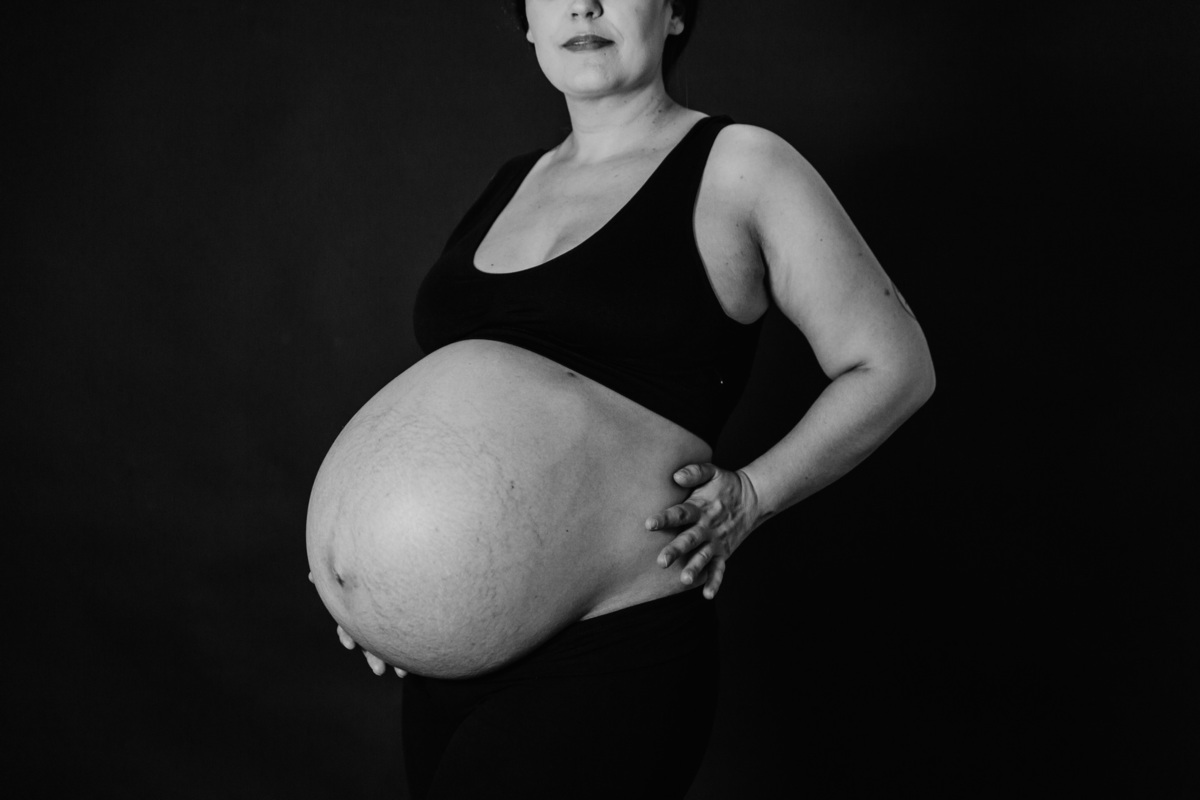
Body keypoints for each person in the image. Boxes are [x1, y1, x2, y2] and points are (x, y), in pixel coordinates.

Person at [307, 1, 935, 797]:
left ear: (674, 14)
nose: (584, 5)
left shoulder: (740, 165)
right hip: (444, 675)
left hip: (605, 653)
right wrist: (382, 594)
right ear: (527, 23)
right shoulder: (513, 182)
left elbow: (894, 364)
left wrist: (754, 494)